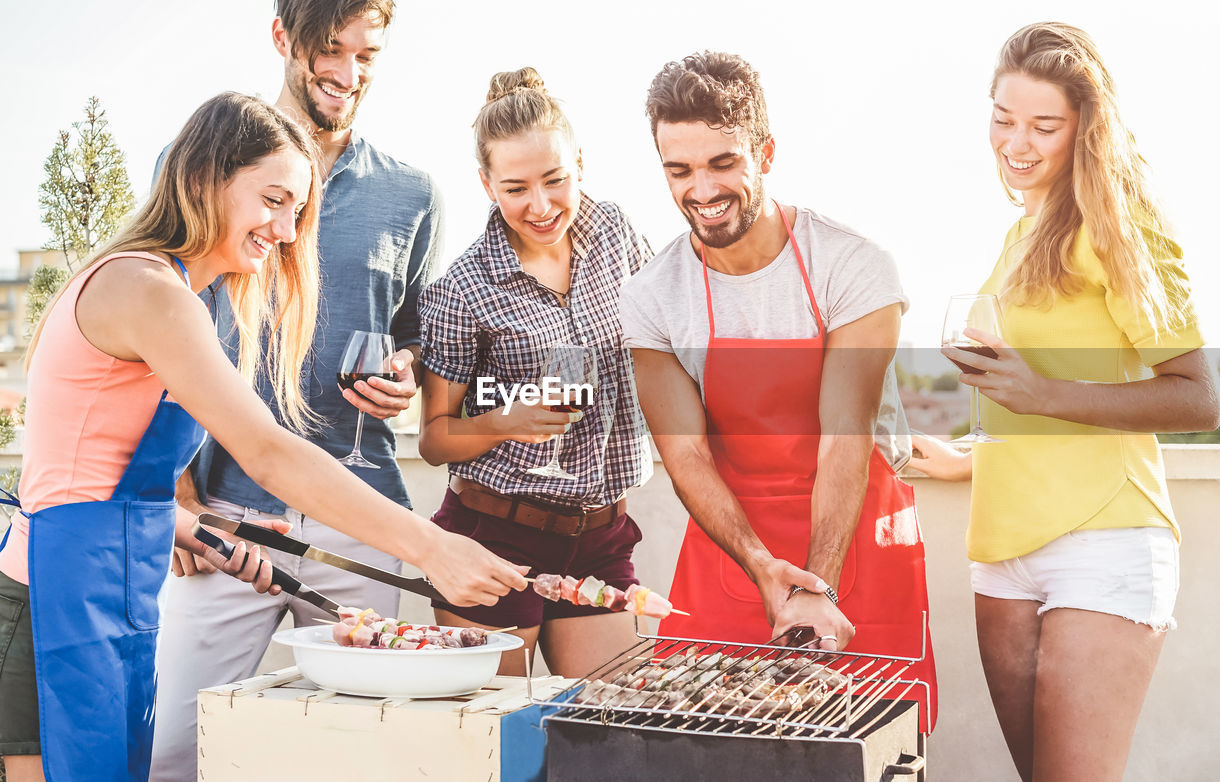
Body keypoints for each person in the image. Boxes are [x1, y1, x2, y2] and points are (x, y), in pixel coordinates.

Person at [0, 92, 523, 782]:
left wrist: (198, 530)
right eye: (272, 200)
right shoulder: (150, 291)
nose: (285, 228)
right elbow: (269, 453)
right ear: (204, 180)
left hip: (105, 589)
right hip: (49, 605)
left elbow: (97, 467)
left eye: (297, 210)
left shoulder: (165, 289)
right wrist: (430, 546)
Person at [908, 22, 1220, 781]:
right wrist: (971, 460)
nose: (1016, 142)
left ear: (1085, 126)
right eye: (1003, 117)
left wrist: (1045, 392)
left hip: (1104, 543)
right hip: (1001, 552)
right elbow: (1028, 404)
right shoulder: (1020, 235)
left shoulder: (1122, 226)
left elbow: (1199, 399)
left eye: (1043, 125)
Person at [149, 2, 445, 778]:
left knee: (354, 757)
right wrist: (177, 494)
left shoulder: (412, 196)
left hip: (362, 519)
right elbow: (160, 334)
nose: (348, 75)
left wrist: (404, 374)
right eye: (328, 50)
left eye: (367, 55)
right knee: (174, 751)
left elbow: (411, 336)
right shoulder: (197, 169)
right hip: (225, 520)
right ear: (282, 38)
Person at [620, 51, 936, 732]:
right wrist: (764, 566)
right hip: (735, 551)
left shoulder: (852, 265)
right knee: (698, 745)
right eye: (679, 171)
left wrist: (814, 587)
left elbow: (843, 436)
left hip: (855, 546)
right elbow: (688, 459)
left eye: (722, 163)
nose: (700, 189)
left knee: (869, 747)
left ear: (764, 152)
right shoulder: (651, 295)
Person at [418, 67, 653, 678]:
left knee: (611, 736)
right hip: (494, 534)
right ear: (486, 184)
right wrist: (507, 419)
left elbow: (667, 334)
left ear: (580, 162)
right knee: (495, 745)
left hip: (601, 535)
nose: (541, 206)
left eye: (555, 180)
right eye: (516, 188)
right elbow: (436, 438)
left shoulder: (616, 235)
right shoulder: (462, 288)